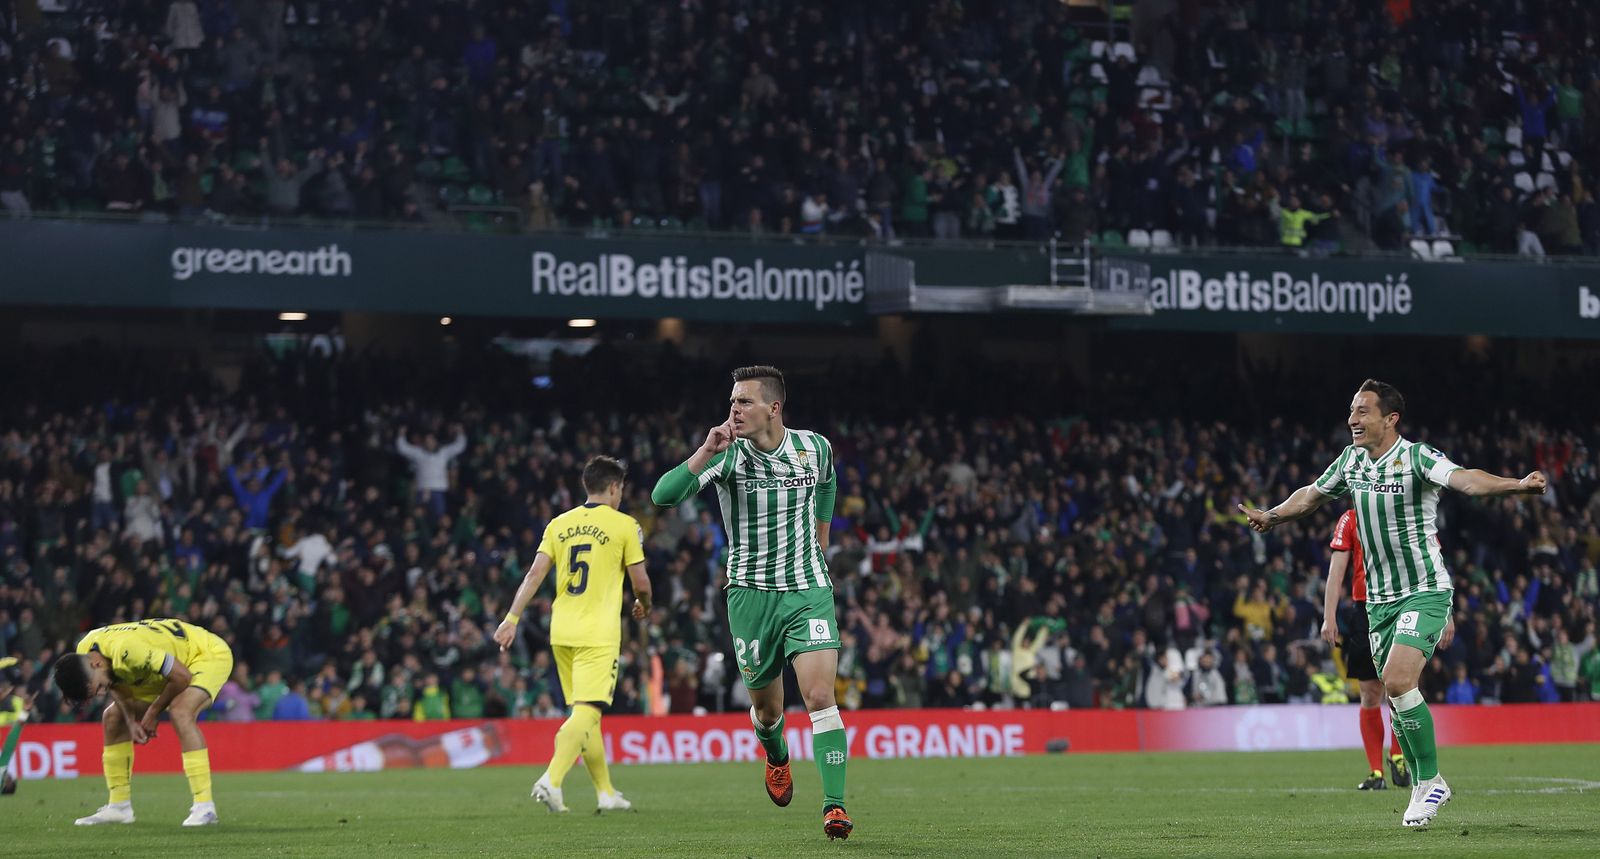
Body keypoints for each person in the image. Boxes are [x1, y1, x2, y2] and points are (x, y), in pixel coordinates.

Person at [1241, 379, 1547, 828]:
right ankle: (1424, 781)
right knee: (1392, 689)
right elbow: (1311, 494)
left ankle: (1430, 783)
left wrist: (1516, 485)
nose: (1352, 420)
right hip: (1377, 602)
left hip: (1424, 589)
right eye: (1351, 411)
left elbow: (1466, 480)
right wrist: (1273, 514)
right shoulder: (1351, 461)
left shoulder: (1417, 457)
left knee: (1399, 680)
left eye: (1363, 411)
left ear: (1390, 419)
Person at [650, 365, 852, 841]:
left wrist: (822, 536)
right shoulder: (727, 457)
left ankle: (834, 806)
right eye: (732, 401)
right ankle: (776, 754)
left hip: (808, 591)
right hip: (750, 596)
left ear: (773, 408)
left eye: (744, 401)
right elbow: (663, 497)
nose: (734, 410)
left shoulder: (813, 447)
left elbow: (827, 482)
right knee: (766, 711)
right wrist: (705, 450)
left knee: (821, 698)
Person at [494, 455, 651, 814]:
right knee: (587, 712)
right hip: (598, 633)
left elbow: (533, 575)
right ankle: (551, 779)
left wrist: (511, 618)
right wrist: (645, 604)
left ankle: (606, 793)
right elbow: (641, 581)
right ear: (614, 488)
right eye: (621, 488)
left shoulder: (558, 524)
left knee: (585, 712)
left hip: (561, 631)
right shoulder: (625, 525)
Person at [52, 618, 237, 826]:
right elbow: (115, 686)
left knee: (180, 712)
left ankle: (205, 807)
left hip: (203, 654)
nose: (103, 692)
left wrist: (153, 712)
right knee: (113, 717)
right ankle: (119, 807)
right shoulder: (86, 650)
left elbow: (182, 677)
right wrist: (131, 721)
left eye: (99, 687)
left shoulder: (127, 650)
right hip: (160, 672)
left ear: (96, 664)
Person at [1322, 506, 1409, 791]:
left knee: (1400, 687)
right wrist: (1329, 616)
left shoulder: (1403, 511)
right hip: (1364, 610)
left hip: (1400, 605)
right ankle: (1376, 772)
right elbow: (1336, 572)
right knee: (1370, 693)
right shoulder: (1348, 518)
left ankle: (1397, 755)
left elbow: (1427, 560)